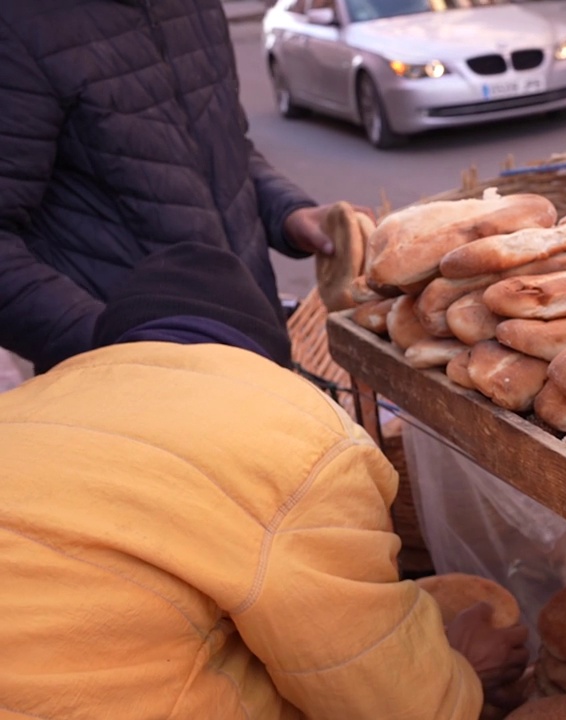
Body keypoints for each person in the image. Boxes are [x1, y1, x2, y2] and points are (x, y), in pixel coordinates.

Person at [0, 242, 530, 719]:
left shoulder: (20, 408)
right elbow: (383, 698)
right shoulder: (291, 433)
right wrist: (463, 675)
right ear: (265, 355)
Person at [0, 0, 349, 374]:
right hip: (131, 392)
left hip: (253, 360)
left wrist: (288, 211)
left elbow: (223, 145)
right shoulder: (19, 26)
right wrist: (111, 342)